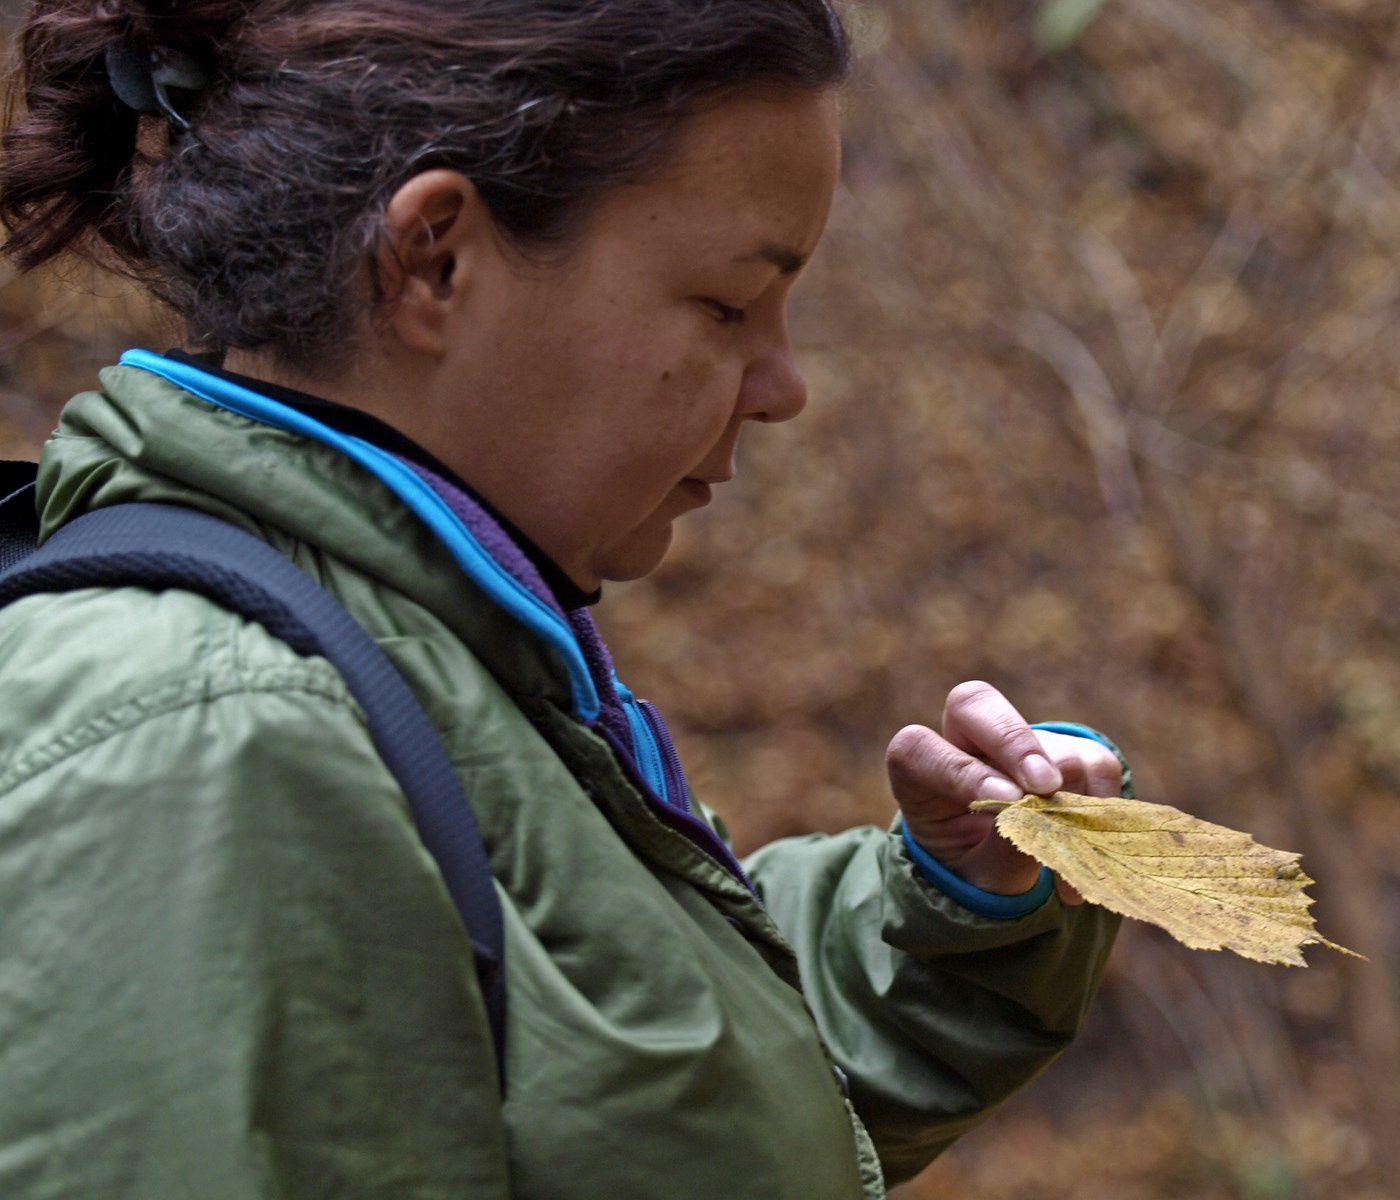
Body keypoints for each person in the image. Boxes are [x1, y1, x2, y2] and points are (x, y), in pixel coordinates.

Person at [0, 2, 1130, 1197]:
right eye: (727, 304)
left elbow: (627, 1097)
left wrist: (945, 904)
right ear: (435, 259)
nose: (784, 386)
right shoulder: (204, 740)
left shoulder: (421, 653)